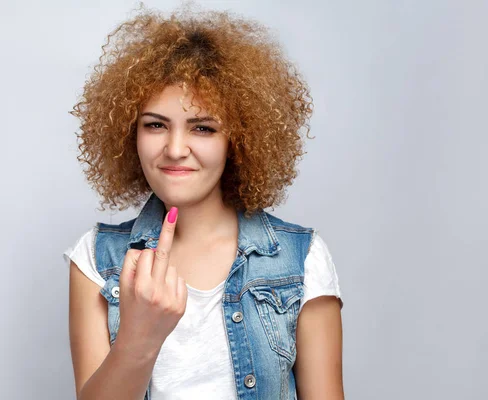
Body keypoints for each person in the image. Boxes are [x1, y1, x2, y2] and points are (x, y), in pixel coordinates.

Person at [63, 3, 344, 399]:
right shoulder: (96, 259)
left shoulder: (301, 259)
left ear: (239, 139)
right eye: (156, 125)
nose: (176, 149)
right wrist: (139, 337)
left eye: (203, 128)